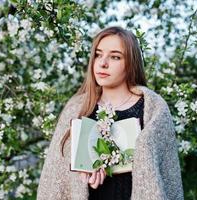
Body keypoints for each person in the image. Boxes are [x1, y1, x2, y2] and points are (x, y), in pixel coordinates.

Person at [37, 26, 184, 200]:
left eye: (115, 57)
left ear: (131, 63)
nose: (103, 63)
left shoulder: (154, 110)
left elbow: (168, 177)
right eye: (98, 54)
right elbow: (57, 179)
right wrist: (84, 180)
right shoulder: (77, 109)